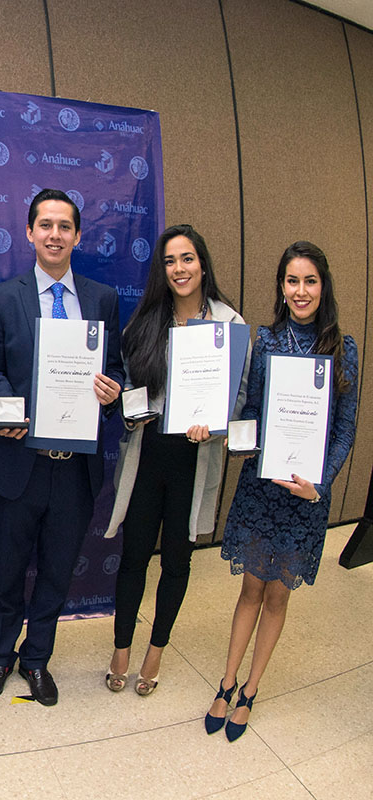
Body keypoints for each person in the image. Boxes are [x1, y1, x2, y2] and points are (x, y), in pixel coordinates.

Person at [0, 188, 124, 707]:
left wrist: (113, 392)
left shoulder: (103, 298)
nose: (55, 234)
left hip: (75, 468)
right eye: (46, 225)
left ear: (78, 236)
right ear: (30, 233)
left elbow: (118, 369)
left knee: (57, 571)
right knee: (10, 570)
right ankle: (0, 655)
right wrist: (4, 403)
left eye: (65, 226)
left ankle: (36, 659)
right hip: (19, 462)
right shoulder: (1, 298)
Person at [204, 241, 358, 741]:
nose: (300, 291)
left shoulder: (343, 347)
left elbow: (344, 430)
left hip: (306, 496)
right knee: (250, 588)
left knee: (277, 595)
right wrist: (234, 433)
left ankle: (250, 690)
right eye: (292, 281)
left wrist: (321, 484)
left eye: (309, 281)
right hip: (262, 487)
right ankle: (225, 682)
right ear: (282, 288)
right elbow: (248, 407)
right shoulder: (264, 341)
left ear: (323, 286)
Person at [104, 225, 248, 696]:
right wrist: (126, 407)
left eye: (187, 259)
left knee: (178, 563)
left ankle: (156, 650)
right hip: (149, 455)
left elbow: (241, 396)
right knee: (134, 557)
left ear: (202, 264)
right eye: (170, 261)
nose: (179, 269)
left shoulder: (231, 325)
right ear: (161, 269)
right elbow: (129, 389)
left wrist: (219, 422)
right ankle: (121, 646)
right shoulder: (145, 321)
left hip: (196, 458)